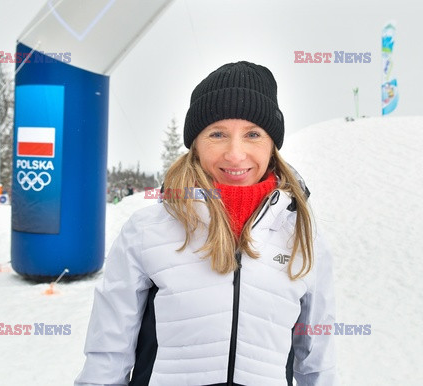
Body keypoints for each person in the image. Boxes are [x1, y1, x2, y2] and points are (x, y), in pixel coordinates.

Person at [75, 61, 336, 386]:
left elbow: (318, 360)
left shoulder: (303, 237)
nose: (235, 154)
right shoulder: (146, 230)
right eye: (218, 134)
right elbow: (108, 352)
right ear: (195, 144)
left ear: (272, 145)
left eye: (253, 134)